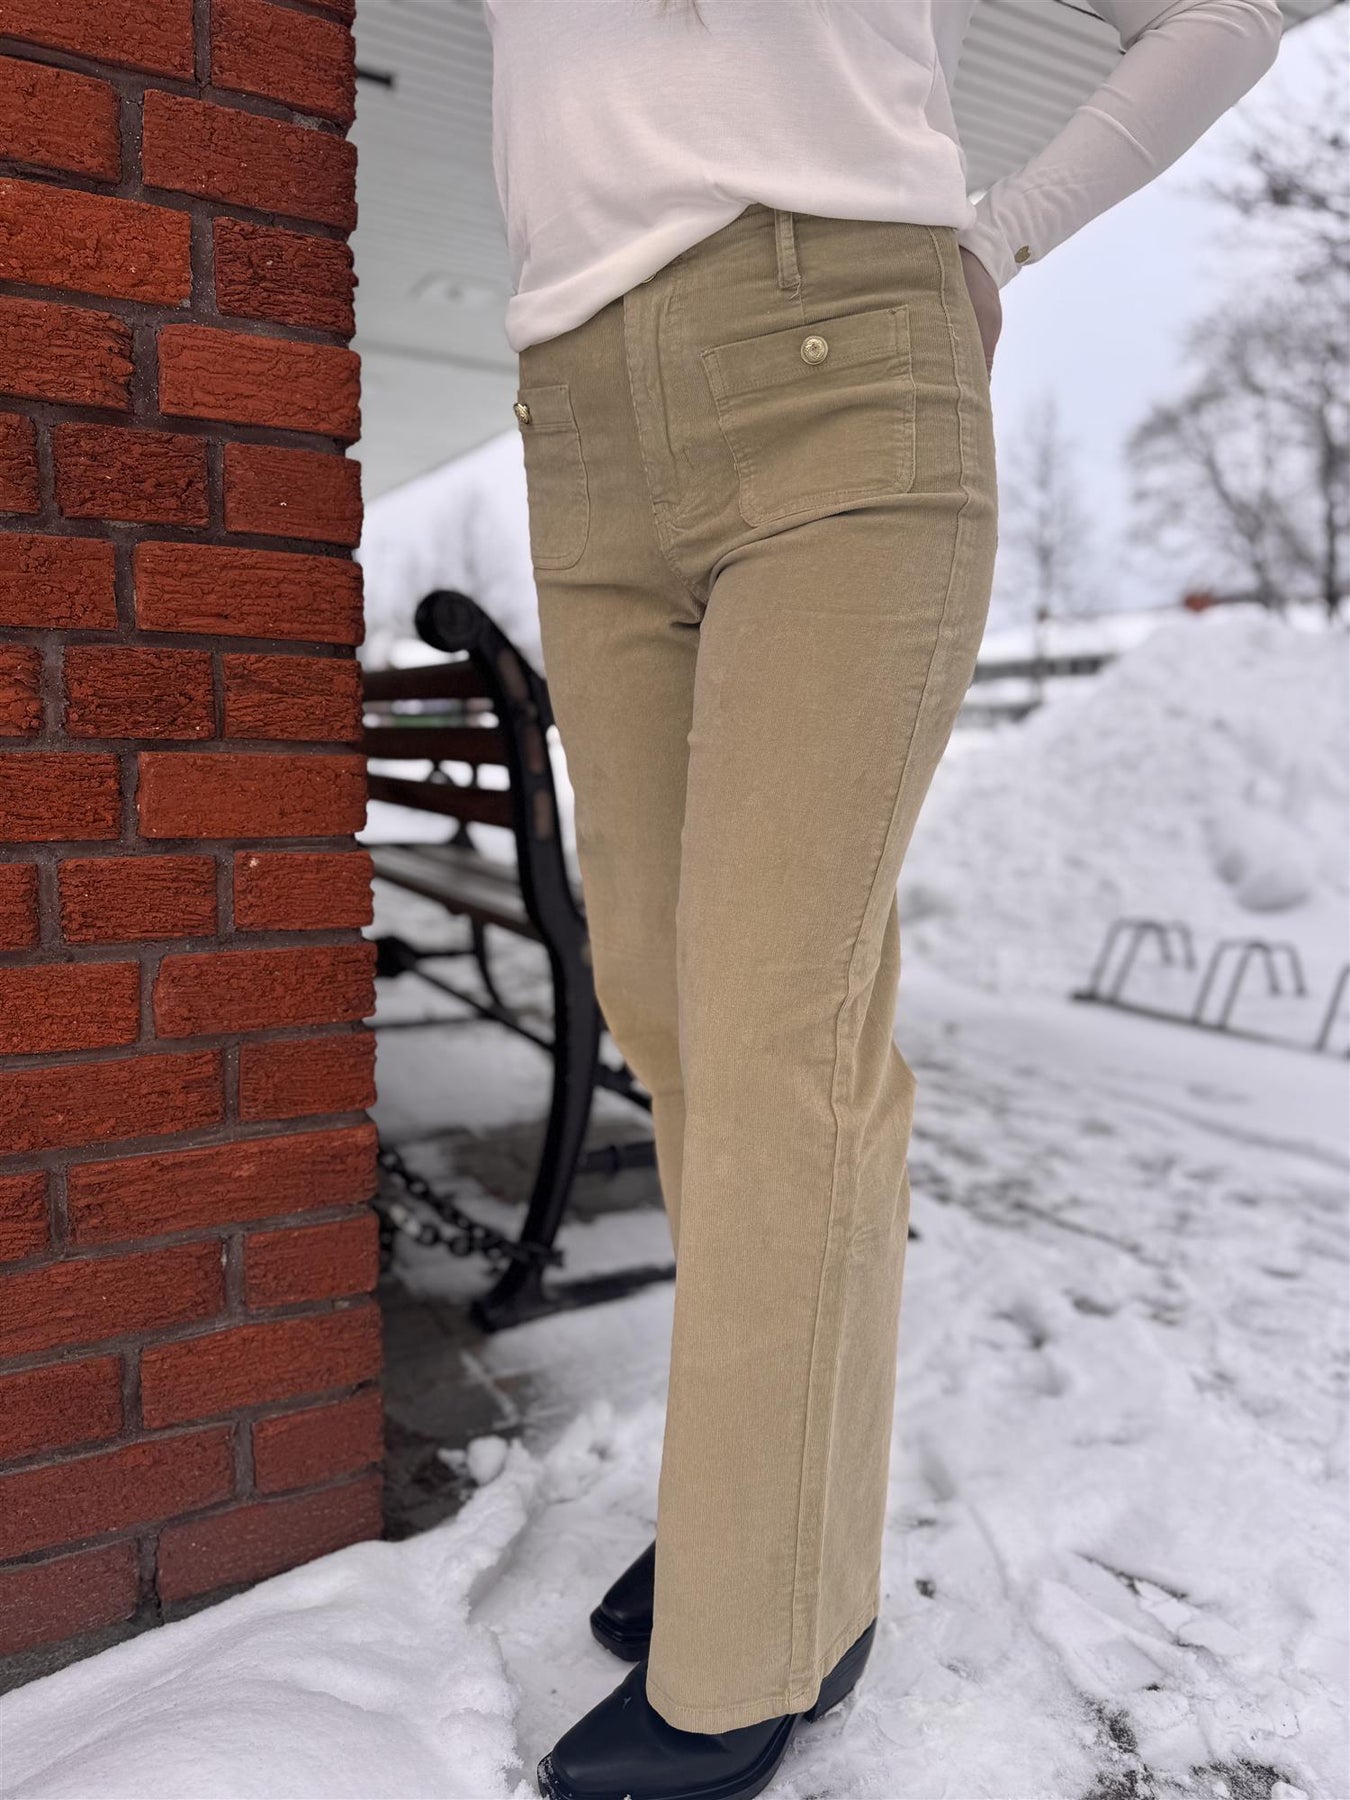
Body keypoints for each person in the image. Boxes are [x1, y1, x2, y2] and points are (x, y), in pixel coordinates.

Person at [479, 4, 1283, 1796]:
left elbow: (1219, 21)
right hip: (577, 414)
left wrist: (996, 236)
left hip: (835, 363)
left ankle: (752, 1636)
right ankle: (773, 1539)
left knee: (775, 1031)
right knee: (677, 1024)